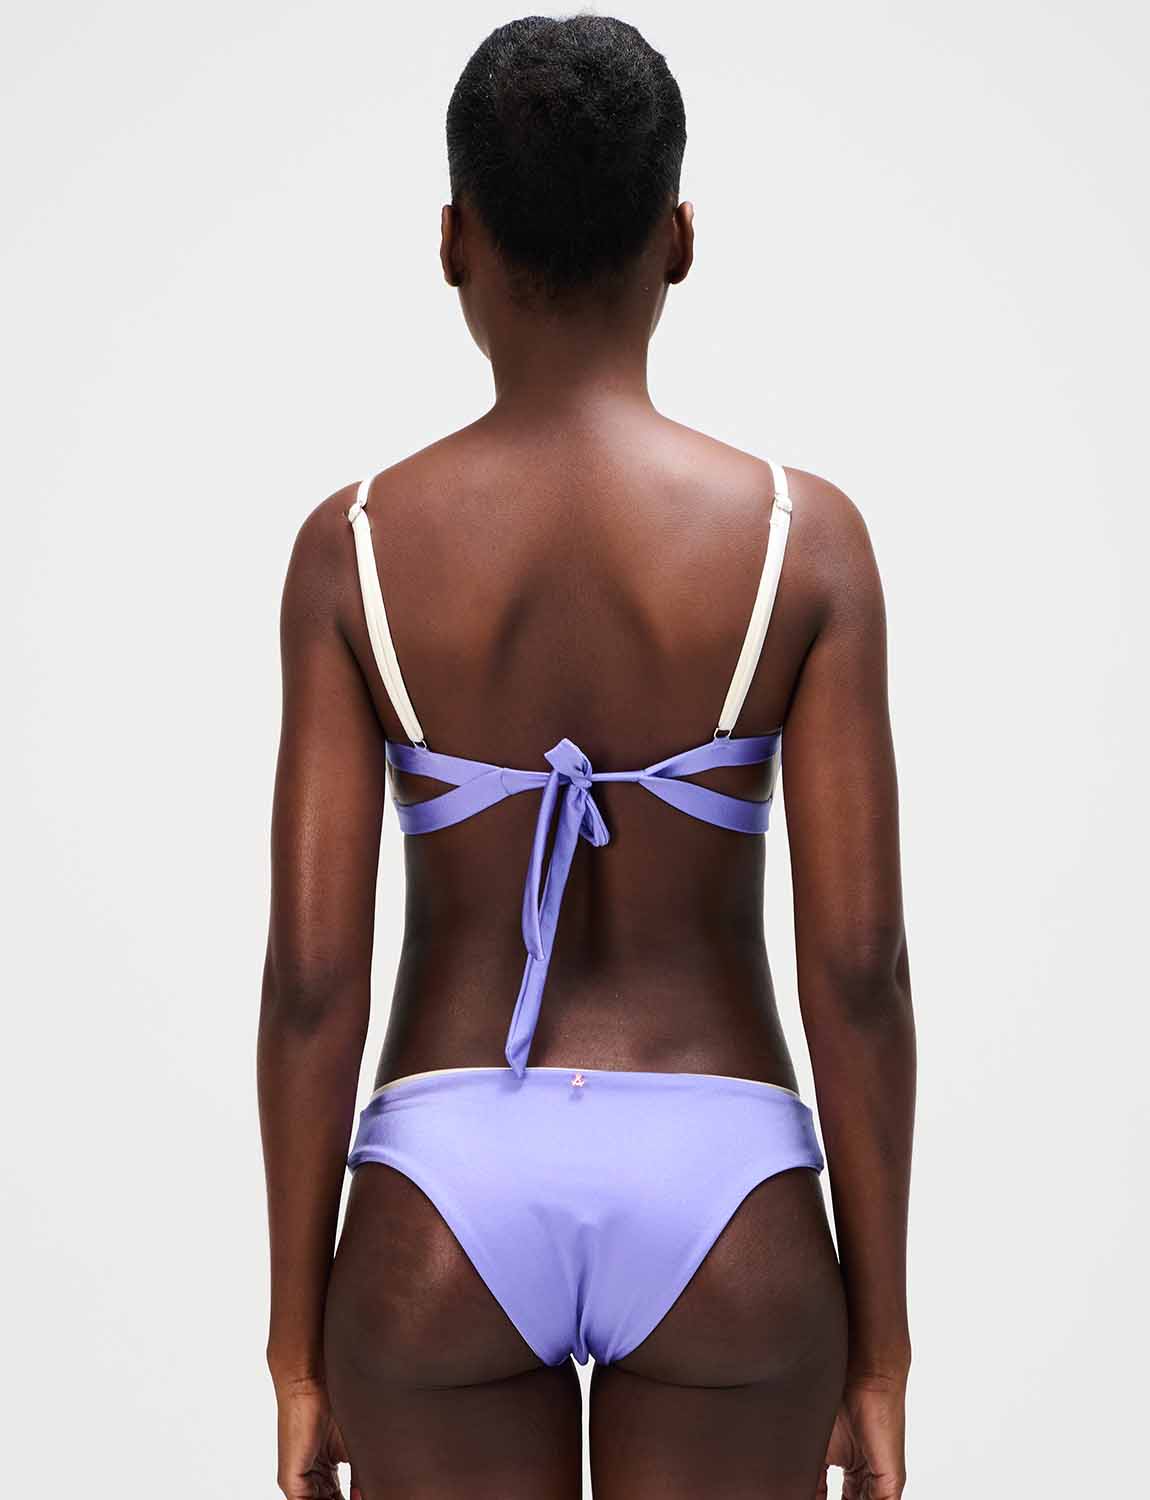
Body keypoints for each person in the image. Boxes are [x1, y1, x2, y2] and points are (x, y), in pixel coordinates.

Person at [258, 14, 915, 1499]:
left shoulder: (353, 548)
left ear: (452, 242)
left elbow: (310, 977)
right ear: (677, 240)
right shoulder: (801, 540)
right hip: (723, 1188)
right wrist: (879, 1355)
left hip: (443, 1188)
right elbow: (859, 965)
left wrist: (297, 1357)